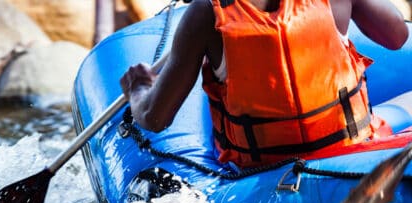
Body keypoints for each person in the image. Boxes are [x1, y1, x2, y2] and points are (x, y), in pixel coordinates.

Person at [120, 0, 410, 167]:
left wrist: (140, 87)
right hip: (354, 154)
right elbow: (396, 36)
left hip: (262, 174)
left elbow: (154, 117)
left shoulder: (206, 14)